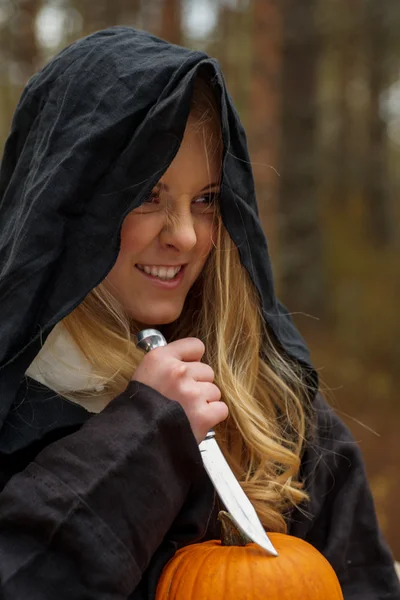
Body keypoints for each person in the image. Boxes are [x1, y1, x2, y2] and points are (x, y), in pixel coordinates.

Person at [0, 26, 398, 600]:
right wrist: (147, 435)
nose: (185, 236)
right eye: (147, 196)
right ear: (71, 204)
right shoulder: (18, 408)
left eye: (206, 200)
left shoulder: (274, 406)